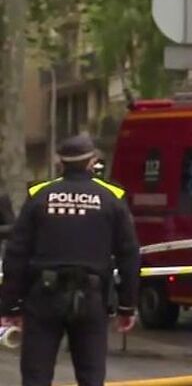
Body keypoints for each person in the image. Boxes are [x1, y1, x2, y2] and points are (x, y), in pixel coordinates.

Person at [0, 135, 141, 386]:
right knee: (90, 377)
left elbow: (16, 252)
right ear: (92, 162)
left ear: (59, 163)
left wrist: (10, 306)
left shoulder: (40, 195)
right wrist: (127, 306)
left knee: (36, 377)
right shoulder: (111, 198)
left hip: (42, 298)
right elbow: (129, 254)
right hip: (91, 299)